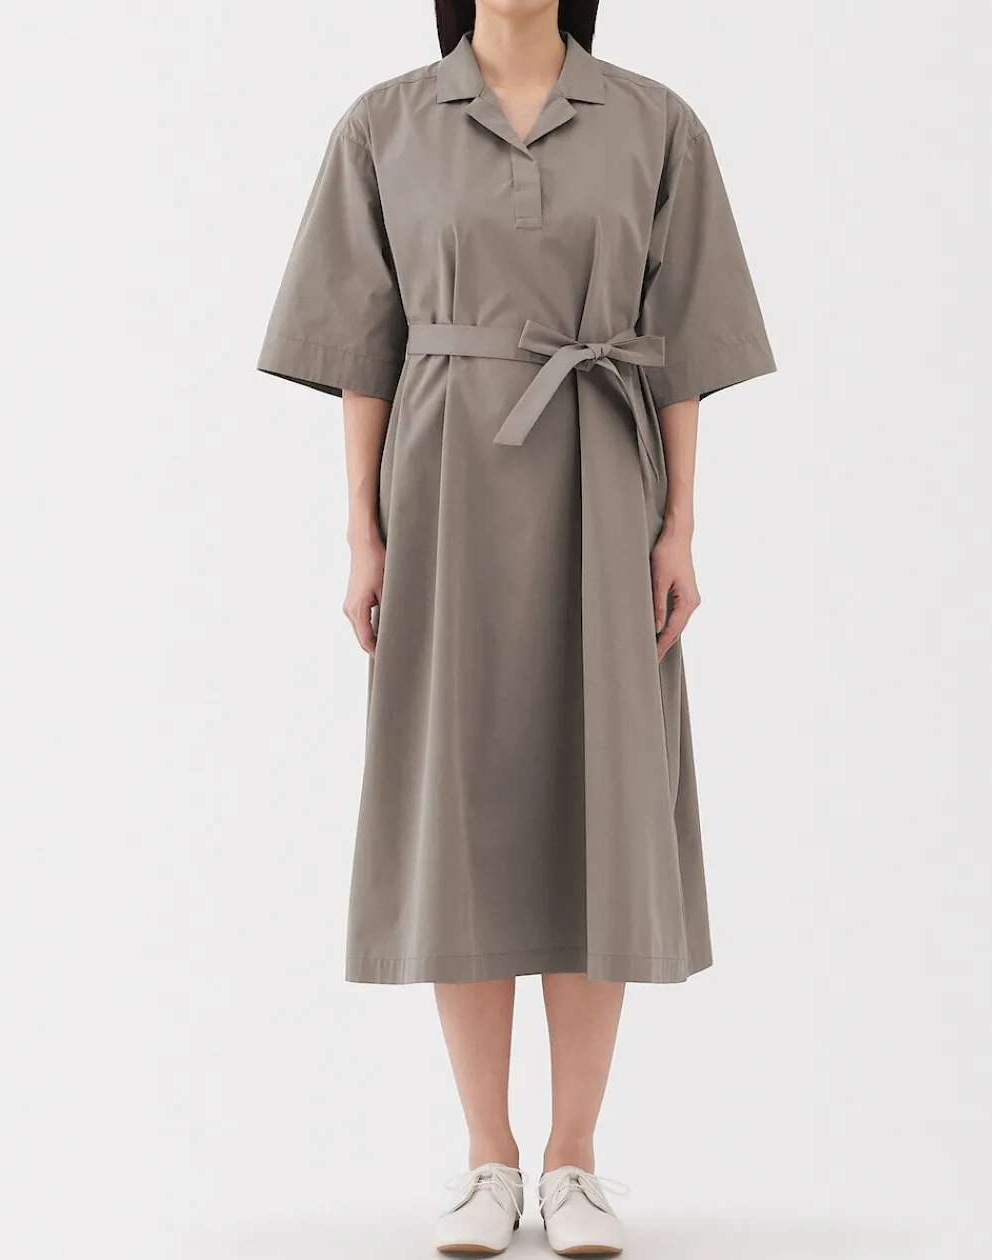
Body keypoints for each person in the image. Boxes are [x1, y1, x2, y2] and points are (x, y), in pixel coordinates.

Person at [256, 0, 776, 1252]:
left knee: (601, 801)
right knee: (462, 804)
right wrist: (361, 533)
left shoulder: (655, 123)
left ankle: (575, 1159)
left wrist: (680, 527)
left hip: (604, 473)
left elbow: (683, 347)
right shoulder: (385, 125)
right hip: (443, 486)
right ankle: (488, 1159)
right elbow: (363, 349)